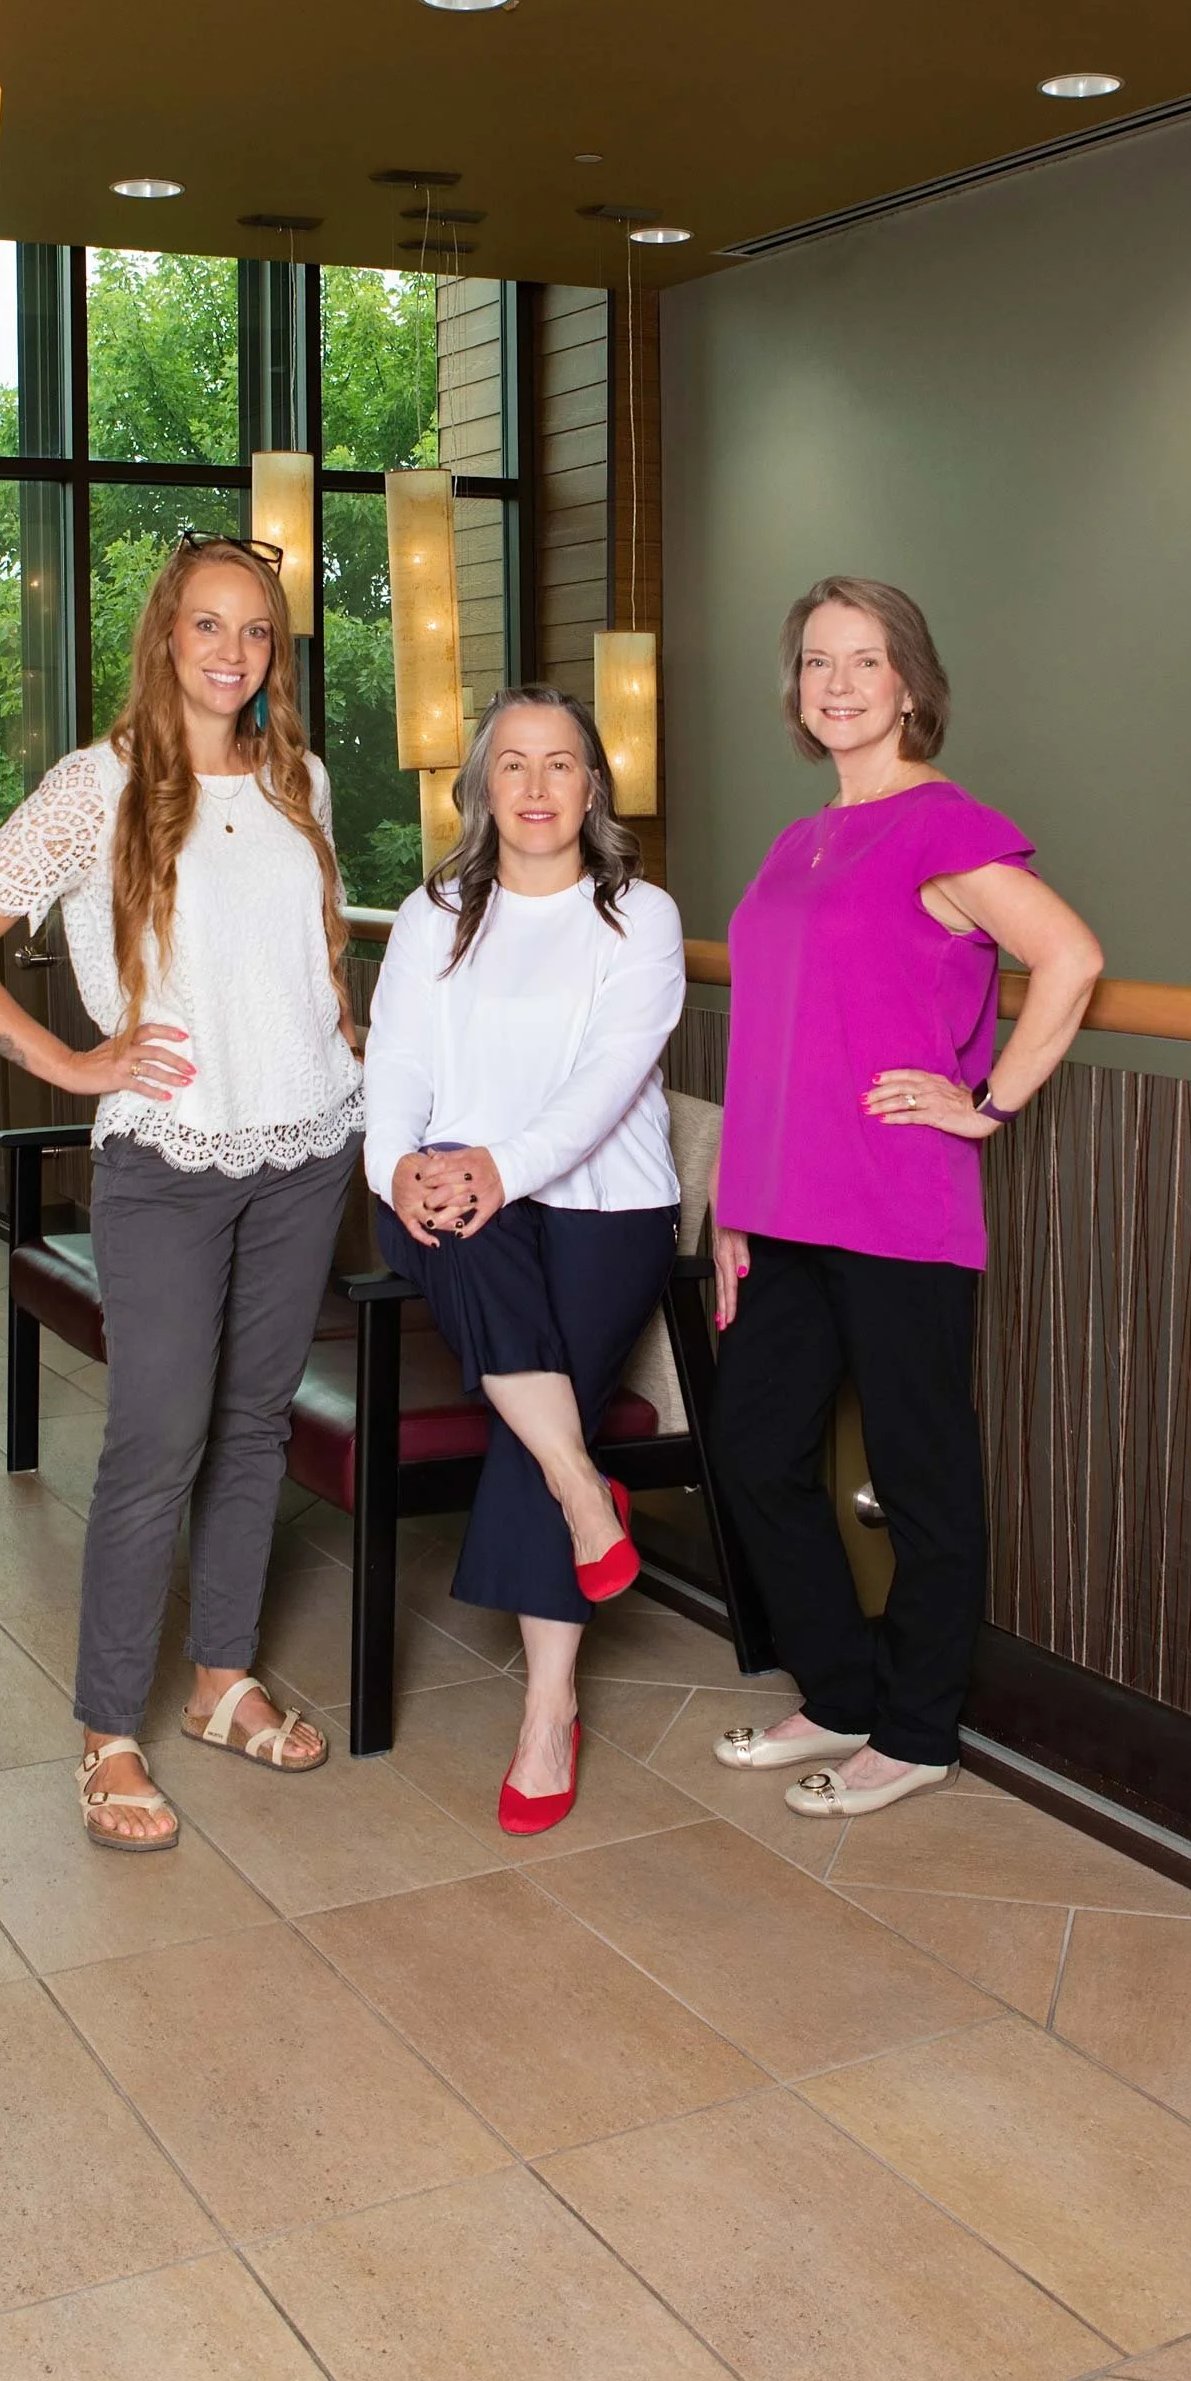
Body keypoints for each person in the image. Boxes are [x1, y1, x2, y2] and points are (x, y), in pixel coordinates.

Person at [0, 534, 361, 1853]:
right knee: (157, 1439)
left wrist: (349, 1047)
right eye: (208, 626)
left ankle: (221, 1680)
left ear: (276, 653)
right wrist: (69, 1057)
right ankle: (109, 1732)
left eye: (257, 633)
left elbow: (306, 961)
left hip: (307, 1144)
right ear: (168, 635)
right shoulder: (93, 788)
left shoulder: (302, 782)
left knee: (257, 1425)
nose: (232, 653)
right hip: (167, 1154)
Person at [709, 575, 1101, 1817]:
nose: (836, 683)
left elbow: (1070, 957)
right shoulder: (798, 838)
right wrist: (730, 1203)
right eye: (817, 662)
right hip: (781, 1207)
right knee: (756, 1453)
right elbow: (774, 1031)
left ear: (909, 685)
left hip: (895, 1207)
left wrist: (983, 1102)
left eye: (863, 662)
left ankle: (917, 1728)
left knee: (921, 1474)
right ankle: (840, 1690)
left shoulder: (943, 825)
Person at [363, 687, 686, 1834]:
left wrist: (500, 1166)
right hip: (449, 1195)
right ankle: (579, 1493)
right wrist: (394, 1166)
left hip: (607, 1203)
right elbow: (395, 1060)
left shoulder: (638, 916)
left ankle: (548, 1706)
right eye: (515, 765)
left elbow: (605, 1083)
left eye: (562, 765)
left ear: (593, 788)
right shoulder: (433, 910)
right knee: (546, 1389)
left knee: (527, 1403)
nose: (539, 788)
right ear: (481, 788)